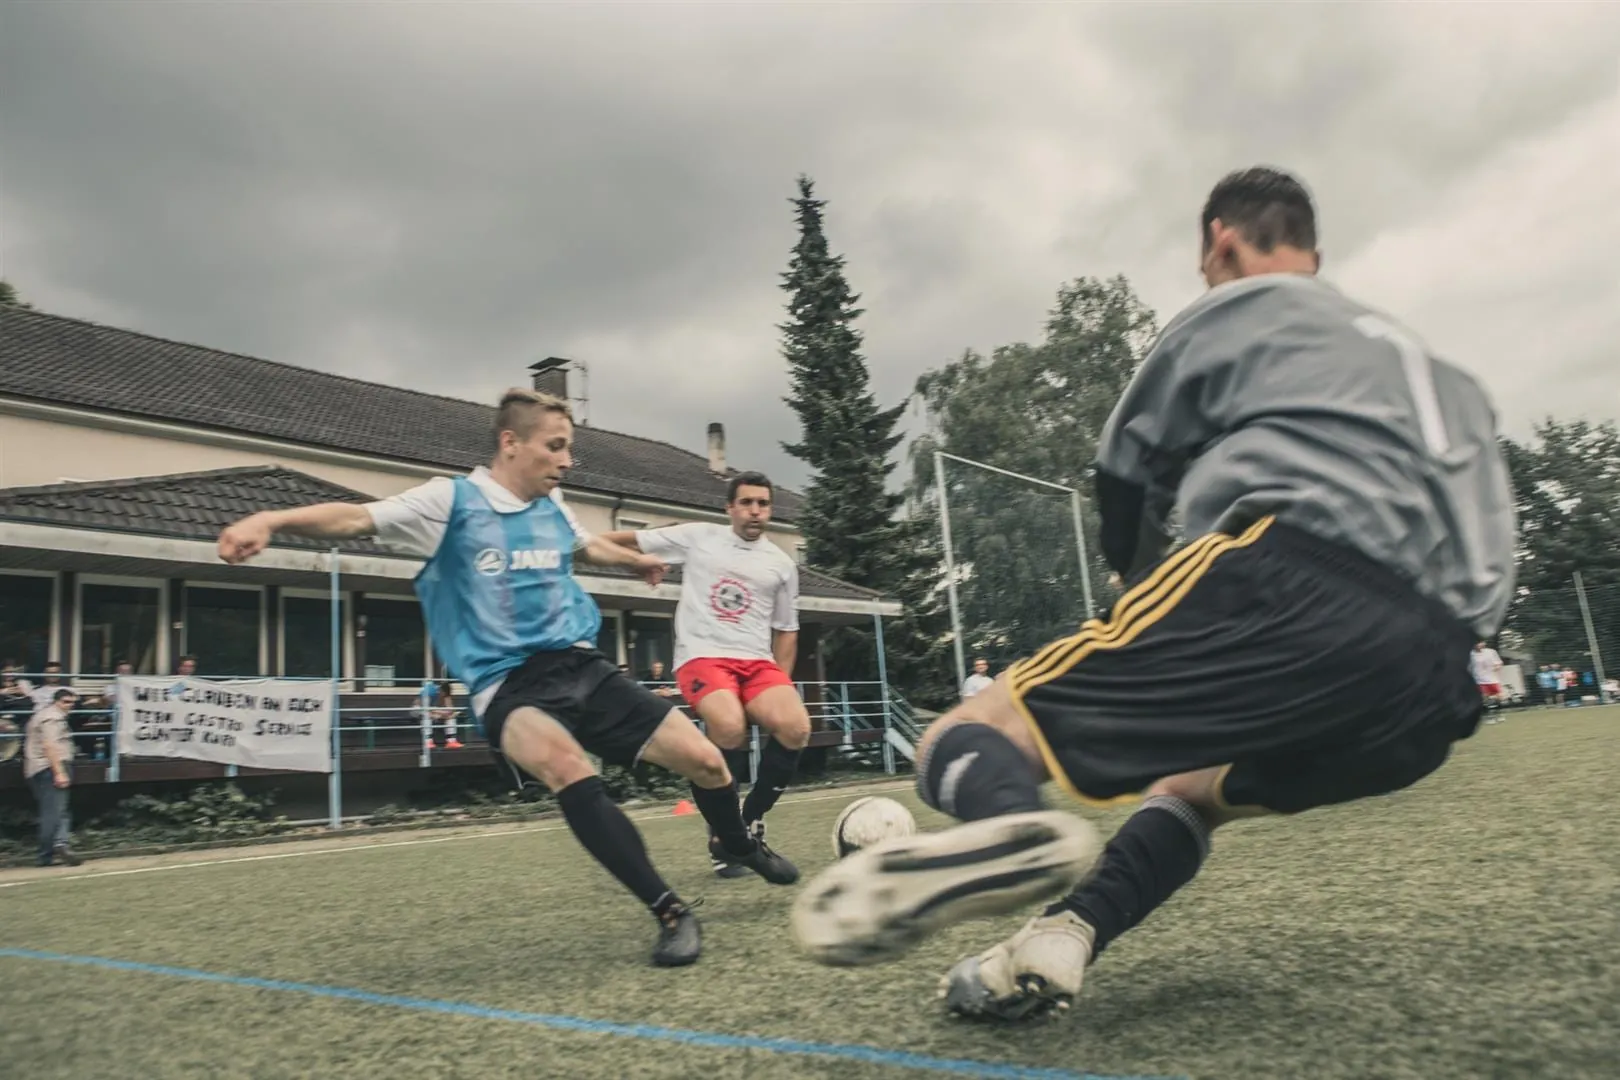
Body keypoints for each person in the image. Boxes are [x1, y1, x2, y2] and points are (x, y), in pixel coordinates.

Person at [792, 166, 1516, 1023]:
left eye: (1207, 261)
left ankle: (1011, 828)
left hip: (1285, 580)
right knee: (1190, 792)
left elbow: (1125, 468)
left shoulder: (1246, 306)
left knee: (966, 736)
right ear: (1314, 252)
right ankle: (1069, 930)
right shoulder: (1450, 383)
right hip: (1432, 689)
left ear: (1220, 240)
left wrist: (1137, 590)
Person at [218, 388, 795, 967]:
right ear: (511, 443)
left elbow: (585, 545)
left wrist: (637, 560)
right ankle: (670, 912)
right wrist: (271, 518)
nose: (568, 460)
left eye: (570, 448)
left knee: (708, 761)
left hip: (581, 667)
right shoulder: (452, 502)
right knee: (568, 768)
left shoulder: (553, 504)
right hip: (506, 684)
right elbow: (355, 517)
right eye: (557, 446)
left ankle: (739, 844)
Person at [604, 472, 810, 880]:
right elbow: (619, 540)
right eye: (747, 502)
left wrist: (780, 685)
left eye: (763, 504)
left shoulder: (782, 565)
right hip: (703, 657)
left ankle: (742, 826)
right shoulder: (699, 536)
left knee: (797, 726)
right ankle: (727, 833)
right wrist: (634, 562)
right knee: (729, 727)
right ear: (729, 507)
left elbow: (787, 631)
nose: (755, 511)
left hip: (757, 664)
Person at [25, 687, 84, 867]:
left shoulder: (42, 715)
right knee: (53, 812)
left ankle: (59, 844)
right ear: (56, 701)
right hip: (49, 766)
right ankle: (49, 852)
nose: (69, 706)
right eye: (66, 702)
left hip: (39, 767)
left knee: (59, 811)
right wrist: (59, 772)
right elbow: (49, 745)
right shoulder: (53, 717)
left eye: (72, 702)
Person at [1470, 641, 1505, 722]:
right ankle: (1489, 717)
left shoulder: (1491, 652)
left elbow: (1499, 663)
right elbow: (1469, 667)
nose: (1478, 645)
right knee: (1484, 698)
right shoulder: (1471, 654)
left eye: (1480, 642)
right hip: (1479, 680)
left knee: (1499, 697)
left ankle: (1499, 714)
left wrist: (1497, 667)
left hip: (1492, 679)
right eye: (1476, 643)